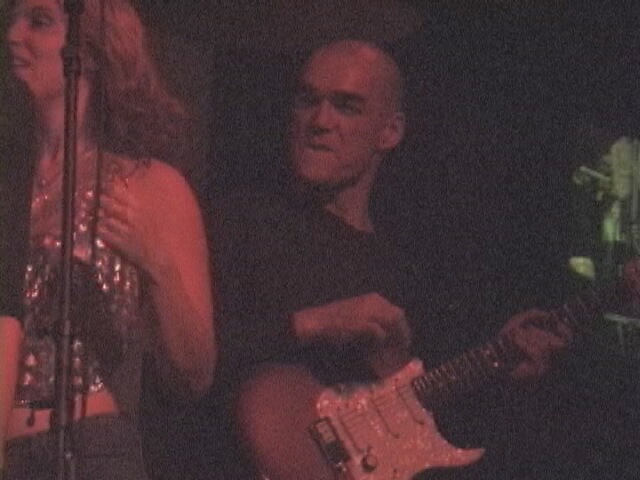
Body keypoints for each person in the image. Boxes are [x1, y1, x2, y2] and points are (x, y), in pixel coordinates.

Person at [172, 39, 570, 480]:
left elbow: (430, 430)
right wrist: (313, 324)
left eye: (346, 106)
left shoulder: (404, 274)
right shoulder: (235, 221)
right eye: (308, 100)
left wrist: (504, 369)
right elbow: (181, 355)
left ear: (390, 132)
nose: (320, 121)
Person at [0, 0, 216, 479]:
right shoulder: (10, 186)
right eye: (12, 21)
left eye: (38, 22)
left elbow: (194, 375)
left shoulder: (148, 186)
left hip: (92, 450)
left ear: (91, 51)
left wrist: (158, 265)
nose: (14, 36)